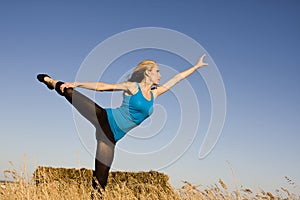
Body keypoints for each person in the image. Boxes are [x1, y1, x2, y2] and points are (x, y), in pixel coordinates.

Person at [37, 53, 208, 194]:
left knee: (99, 185)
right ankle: (51, 82)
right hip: (105, 119)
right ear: (147, 72)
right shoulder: (133, 87)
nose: (160, 75)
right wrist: (77, 83)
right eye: (157, 71)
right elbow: (104, 86)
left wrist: (196, 66)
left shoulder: (155, 93)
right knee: (69, 92)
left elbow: (177, 78)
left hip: (111, 139)